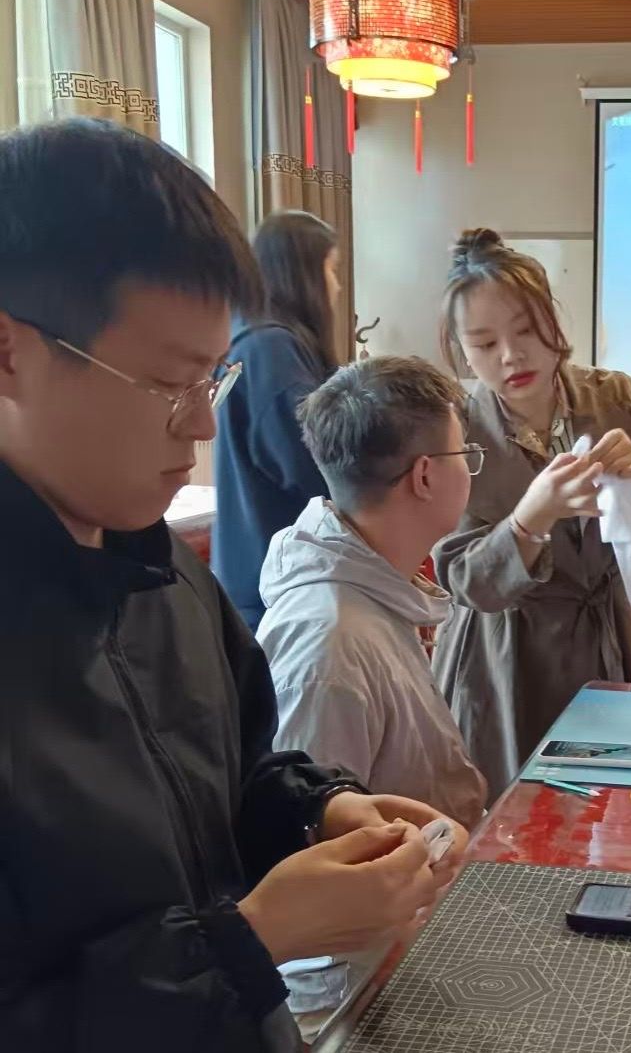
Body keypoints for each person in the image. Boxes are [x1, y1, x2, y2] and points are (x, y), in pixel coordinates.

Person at [0, 119, 463, 1051]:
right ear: (12, 353)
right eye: (169, 383)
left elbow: (234, 771)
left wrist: (319, 808)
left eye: (215, 378)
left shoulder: (165, 572)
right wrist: (250, 939)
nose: (203, 426)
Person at [430, 229, 631, 796]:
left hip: (612, 635)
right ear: (461, 350)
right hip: (505, 658)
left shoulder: (616, 399)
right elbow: (463, 578)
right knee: (516, 813)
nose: (511, 356)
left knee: (616, 803)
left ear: (554, 322)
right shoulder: (454, 429)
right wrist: (526, 522)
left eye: (526, 330)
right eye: (484, 343)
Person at [256, 355, 487, 1029]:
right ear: (426, 475)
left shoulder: (374, 591)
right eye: (465, 455)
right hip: (353, 991)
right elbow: (307, 852)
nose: (469, 470)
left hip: (406, 942)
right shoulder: (328, 642)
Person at [213, 211, 341, 629]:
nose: (337, 285)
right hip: (276, 589)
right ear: (303, 274)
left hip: (264, 578)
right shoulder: (271, 349)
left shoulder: (254, 338)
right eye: (332, 270)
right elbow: (316, 468)